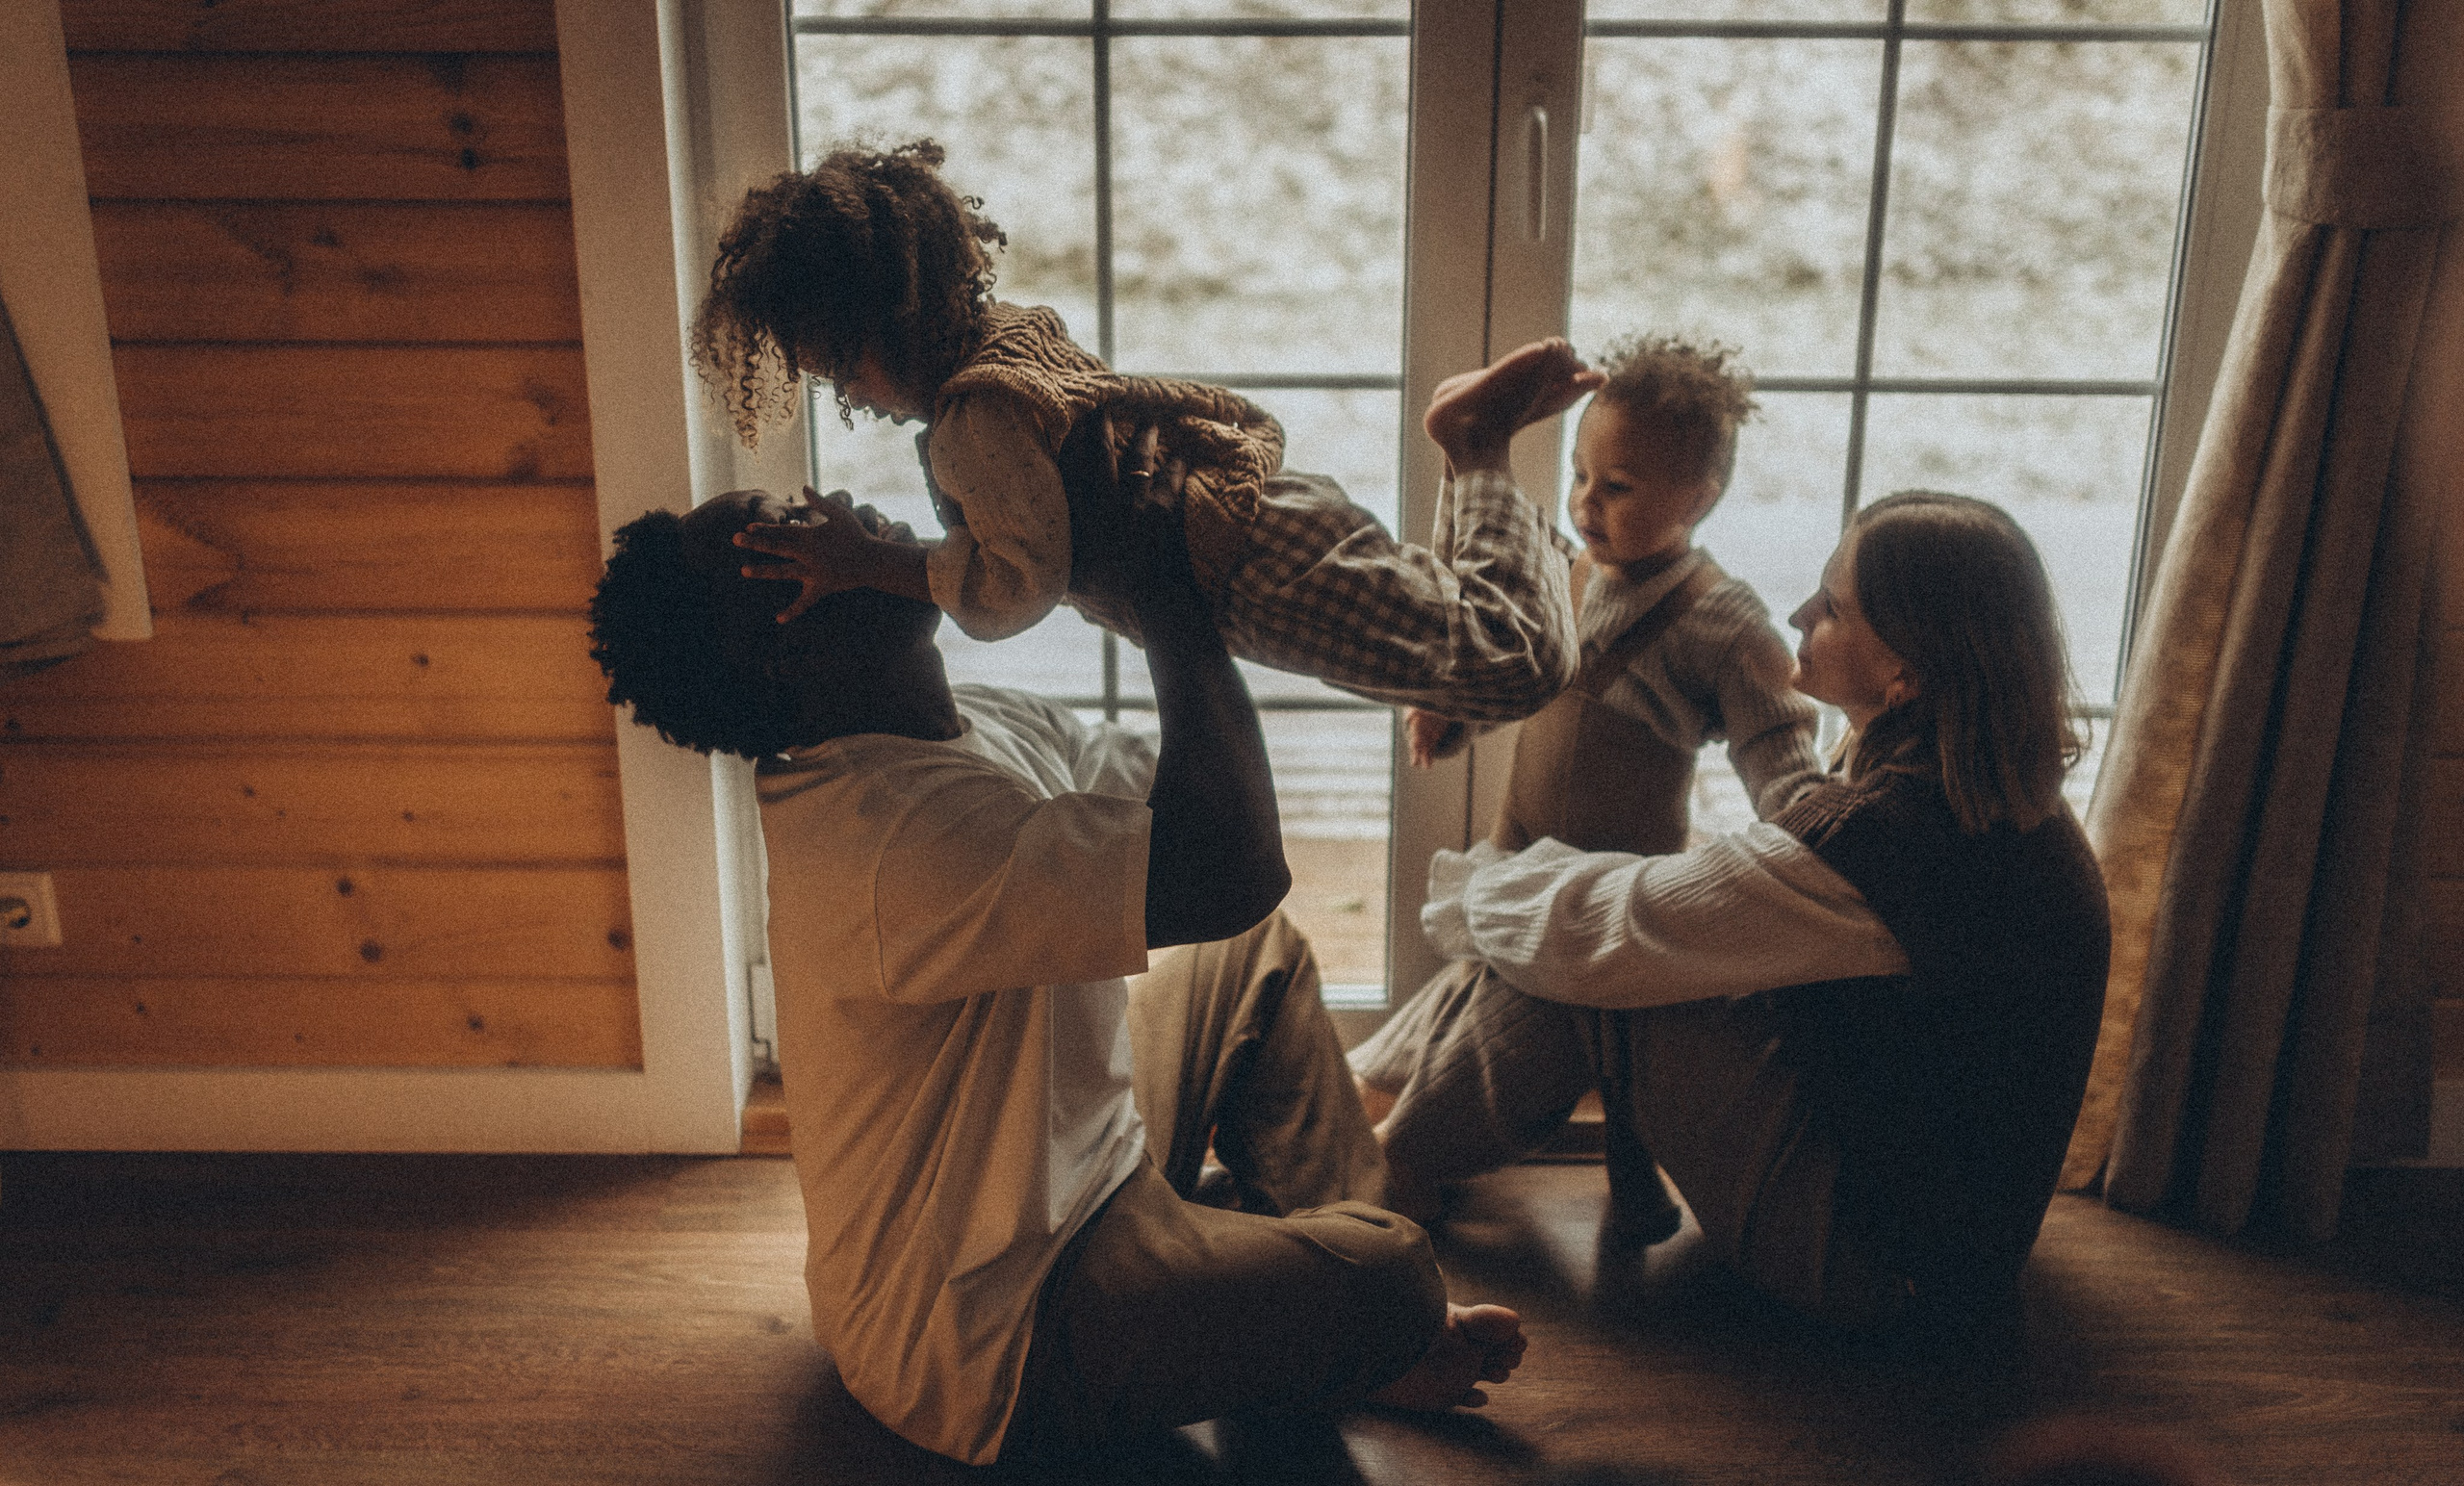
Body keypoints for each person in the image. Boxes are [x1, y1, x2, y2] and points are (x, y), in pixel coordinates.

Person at [578, 350, 1578, 1467]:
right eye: (787, 537)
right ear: (777, 660)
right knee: (1393, 1273)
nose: (837, 511)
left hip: (1079, 1163)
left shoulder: (955, 718)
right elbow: (1231, 859)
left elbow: (1196, 816)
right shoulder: (886, 837)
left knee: (1246, 956)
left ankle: (1321, 1299)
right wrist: (1162, 586)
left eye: (810, 503)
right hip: (991, 1329)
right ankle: (1344, 1308)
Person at [1361, 491, 2111, 1329]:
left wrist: (1474, 885)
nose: (1798, 614)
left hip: (1885, 1269)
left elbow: (1606, 929)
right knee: (1593, 934)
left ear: (1908, 675)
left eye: (1834, 609)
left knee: (1592, 958)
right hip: (1951, 1244)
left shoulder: (1895, 840)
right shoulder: (1986, 797)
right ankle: (1380, 1134)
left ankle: (1378, 1175)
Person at [693, 138, 1582, 722]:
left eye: (844, 369)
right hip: (1259, 509)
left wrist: (872, 565)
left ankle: (1476, 448)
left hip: (1241, 569)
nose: (858, 398)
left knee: (1511, 666)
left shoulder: (974, 422)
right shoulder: (1007, 335)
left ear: (891, 320)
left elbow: (1018, 585)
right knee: (1438, 630)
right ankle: (1471, 570)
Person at [1356, 334, 1825, 1242]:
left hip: (1591, 936)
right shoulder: (1564, 575)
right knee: (1394, 1054)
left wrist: (1818, 824)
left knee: (1430, 1123)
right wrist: (1459, 712)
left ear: (1702, 496)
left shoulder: (1725, 625)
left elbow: (1784, 762)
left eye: (1619, 487)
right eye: (1579, 475)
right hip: (1515, 881)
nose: (1584, 503)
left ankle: (1375, 1179)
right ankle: (1326, 1135)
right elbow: (1528, 679)